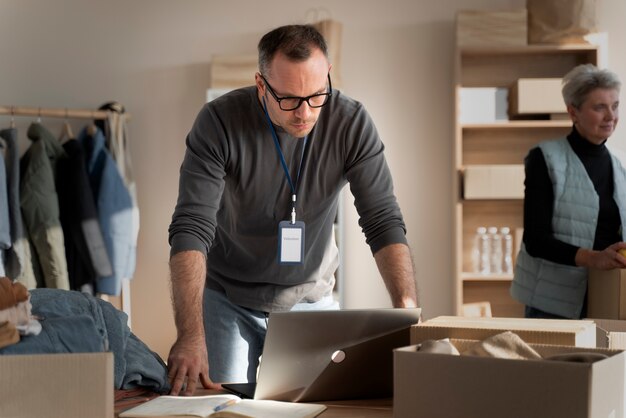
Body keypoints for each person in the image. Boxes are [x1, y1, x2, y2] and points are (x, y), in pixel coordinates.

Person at [166, 24, 418, 395]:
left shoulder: (351, 123)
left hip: (310, 299)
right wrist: (190, 335)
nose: (304, 113)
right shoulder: (219, 122)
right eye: (288, 99)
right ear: (261, 84)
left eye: (316, 95)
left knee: (314, 405)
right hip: (228, 297)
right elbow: (191, 226)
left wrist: (407, 311)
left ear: (328, 76)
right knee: (229, 405)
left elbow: (382, 220)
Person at [511, 63, 626, 320]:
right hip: (552, 304)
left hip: (609, 295)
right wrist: (592, 258)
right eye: (599, 107)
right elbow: (536, 240)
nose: (611, 116)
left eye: (615, 105)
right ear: (573, 112)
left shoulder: (622, 163)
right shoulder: (545, 158)